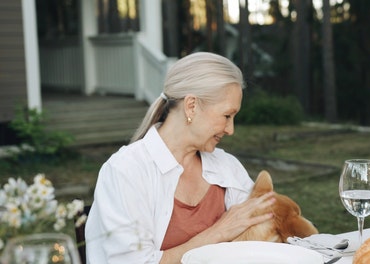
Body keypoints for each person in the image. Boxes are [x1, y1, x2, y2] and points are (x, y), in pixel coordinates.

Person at [85, 52, 276, 264]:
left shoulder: (227, 167)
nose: (230, 129)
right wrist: (218, 232)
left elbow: (260, 240)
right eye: (227, 116)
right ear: (191, 105)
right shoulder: (126, 171)